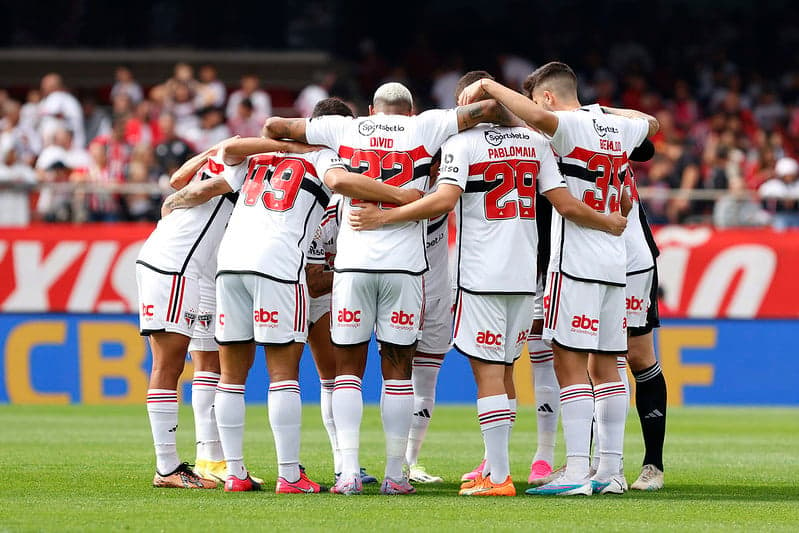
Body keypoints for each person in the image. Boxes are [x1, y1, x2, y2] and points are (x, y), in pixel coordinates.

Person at [352, 71, 627, 496]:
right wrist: (609, 222)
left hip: (480, 276)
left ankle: (497, 476)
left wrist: (383, 216)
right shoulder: (537, 145)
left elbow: (443, 201)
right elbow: (567, 203)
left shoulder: (461, 144)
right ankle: (503, 469)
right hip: (524, 278)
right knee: (505, 370)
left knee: (488, 375)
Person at [264, 81, 516, 495]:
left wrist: (313, 143)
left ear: (370, 109)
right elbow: (490, 110)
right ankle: (396, 474)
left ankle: (347, 473)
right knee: (399, 373)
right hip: (405, 267)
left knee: (348, 372)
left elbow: (275, 126)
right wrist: (481, 97)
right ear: (411, 110)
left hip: (353, 265)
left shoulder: (344, 129)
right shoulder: (428, 126)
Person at [166, 97, 424, 493]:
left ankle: (234, 473)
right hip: (278, 266)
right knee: (283, 375)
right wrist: (402, 196)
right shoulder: (325, 158)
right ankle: (289, 475)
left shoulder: (258, 156)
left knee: (232, 376)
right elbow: (340, 183)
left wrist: (280, 145)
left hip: (230, 265)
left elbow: (228, 150)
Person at [459, 62, 658, 496]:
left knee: (570, 368)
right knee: (608, 369)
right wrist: (603, 111)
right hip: (615, 264)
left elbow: (537, 120)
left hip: (576, 264)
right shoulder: (616, 128)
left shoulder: (565, 127)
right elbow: (652, 123)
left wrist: (489, 85)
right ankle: (611, 471)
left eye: (536, 100)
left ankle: (575, 472)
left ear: (547, 98)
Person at [136, 137, 256, 489]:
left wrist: (210, 152)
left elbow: (177, 181)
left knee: (171, 364)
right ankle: (168, 468)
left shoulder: (211, 163)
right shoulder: (238, 170)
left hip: (173, 263)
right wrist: (176, 199)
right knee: (168, 365)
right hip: (176, 266)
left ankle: (176, 465)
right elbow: (188, 191)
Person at [305, 194, 380, 486]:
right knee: (333, 378)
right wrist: (354, 271)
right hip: (315, 295)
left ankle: (347, 464)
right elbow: (313, 282)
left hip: (339, 289)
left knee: (339, 379)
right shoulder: (329, 214)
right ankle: (343, 464)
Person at [405, 150, 449, 484]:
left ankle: (411, 462)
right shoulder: (396, 186)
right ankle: (398, 464)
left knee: (425, 383)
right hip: (402, 291)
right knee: (398, 380)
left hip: (437, 292)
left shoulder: (449, 188)